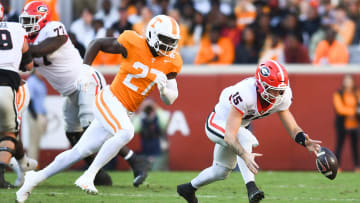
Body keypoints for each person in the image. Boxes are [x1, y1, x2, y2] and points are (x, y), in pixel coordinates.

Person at [16, 14, 182, 201]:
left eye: (172, 42)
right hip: (110, 99)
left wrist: (163, 91)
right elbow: (97, 43)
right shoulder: (133, 42)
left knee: (79, 152)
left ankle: (34, 179)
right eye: (165, 40)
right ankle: (89, 176)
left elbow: (171, 98)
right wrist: (85, 71)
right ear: (151, 34)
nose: (168, 46)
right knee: (126, 132)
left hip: (125, 110)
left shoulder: (172, 61)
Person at [177, 60, 321, 203]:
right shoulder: (245, 94)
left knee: (221, 171)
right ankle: (251, 188)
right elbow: (230, 136)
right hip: (218, 123)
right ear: (260, 85)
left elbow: (292, 126)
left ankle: (188, 189)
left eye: (280, 90)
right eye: (273, 89)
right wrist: (244, 154)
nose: (277, 94)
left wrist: (303, 140)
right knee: (243, 136)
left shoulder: (282, 95)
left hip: (236, 129)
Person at [0, 2, 34, 188]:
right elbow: (29, 65)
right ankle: (0, 175)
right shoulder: (16, 28)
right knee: (9, 134)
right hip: (6, 85)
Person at [333, 74, 360, 172]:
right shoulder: (338, 93)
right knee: (339, 146)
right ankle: (337, 167)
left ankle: (357, 167)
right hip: (342, 125)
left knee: (355, 148)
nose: (347, 83)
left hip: (354, 124)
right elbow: (340, 109)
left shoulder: (357, 93)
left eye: (349, 80)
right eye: (346, 80)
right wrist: (354, 111)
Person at [25, 70, 47, 161]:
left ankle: (34, 163)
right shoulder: (32, 81)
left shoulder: (40, 82)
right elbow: (29, 99)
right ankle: (30, 165)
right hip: (34, 114)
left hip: (41, 114)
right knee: (33, 141)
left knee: (37, 141)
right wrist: (34, 115)